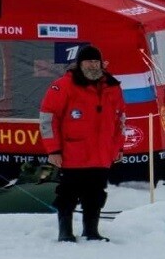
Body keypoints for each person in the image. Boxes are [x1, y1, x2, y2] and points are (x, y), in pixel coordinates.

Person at [38, 45, 126, 242]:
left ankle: (91, 231)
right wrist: (53, 149)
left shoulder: (112, 86)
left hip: (101, 155)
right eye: (89, 62)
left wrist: (118, 146)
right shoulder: (63, 85)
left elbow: (120, 119)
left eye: (96, 62)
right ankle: (65, 231)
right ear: (79, 64)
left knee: (95, 195)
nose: (93, 66)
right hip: (72, 154)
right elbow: (48, 118)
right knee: (67, 195)